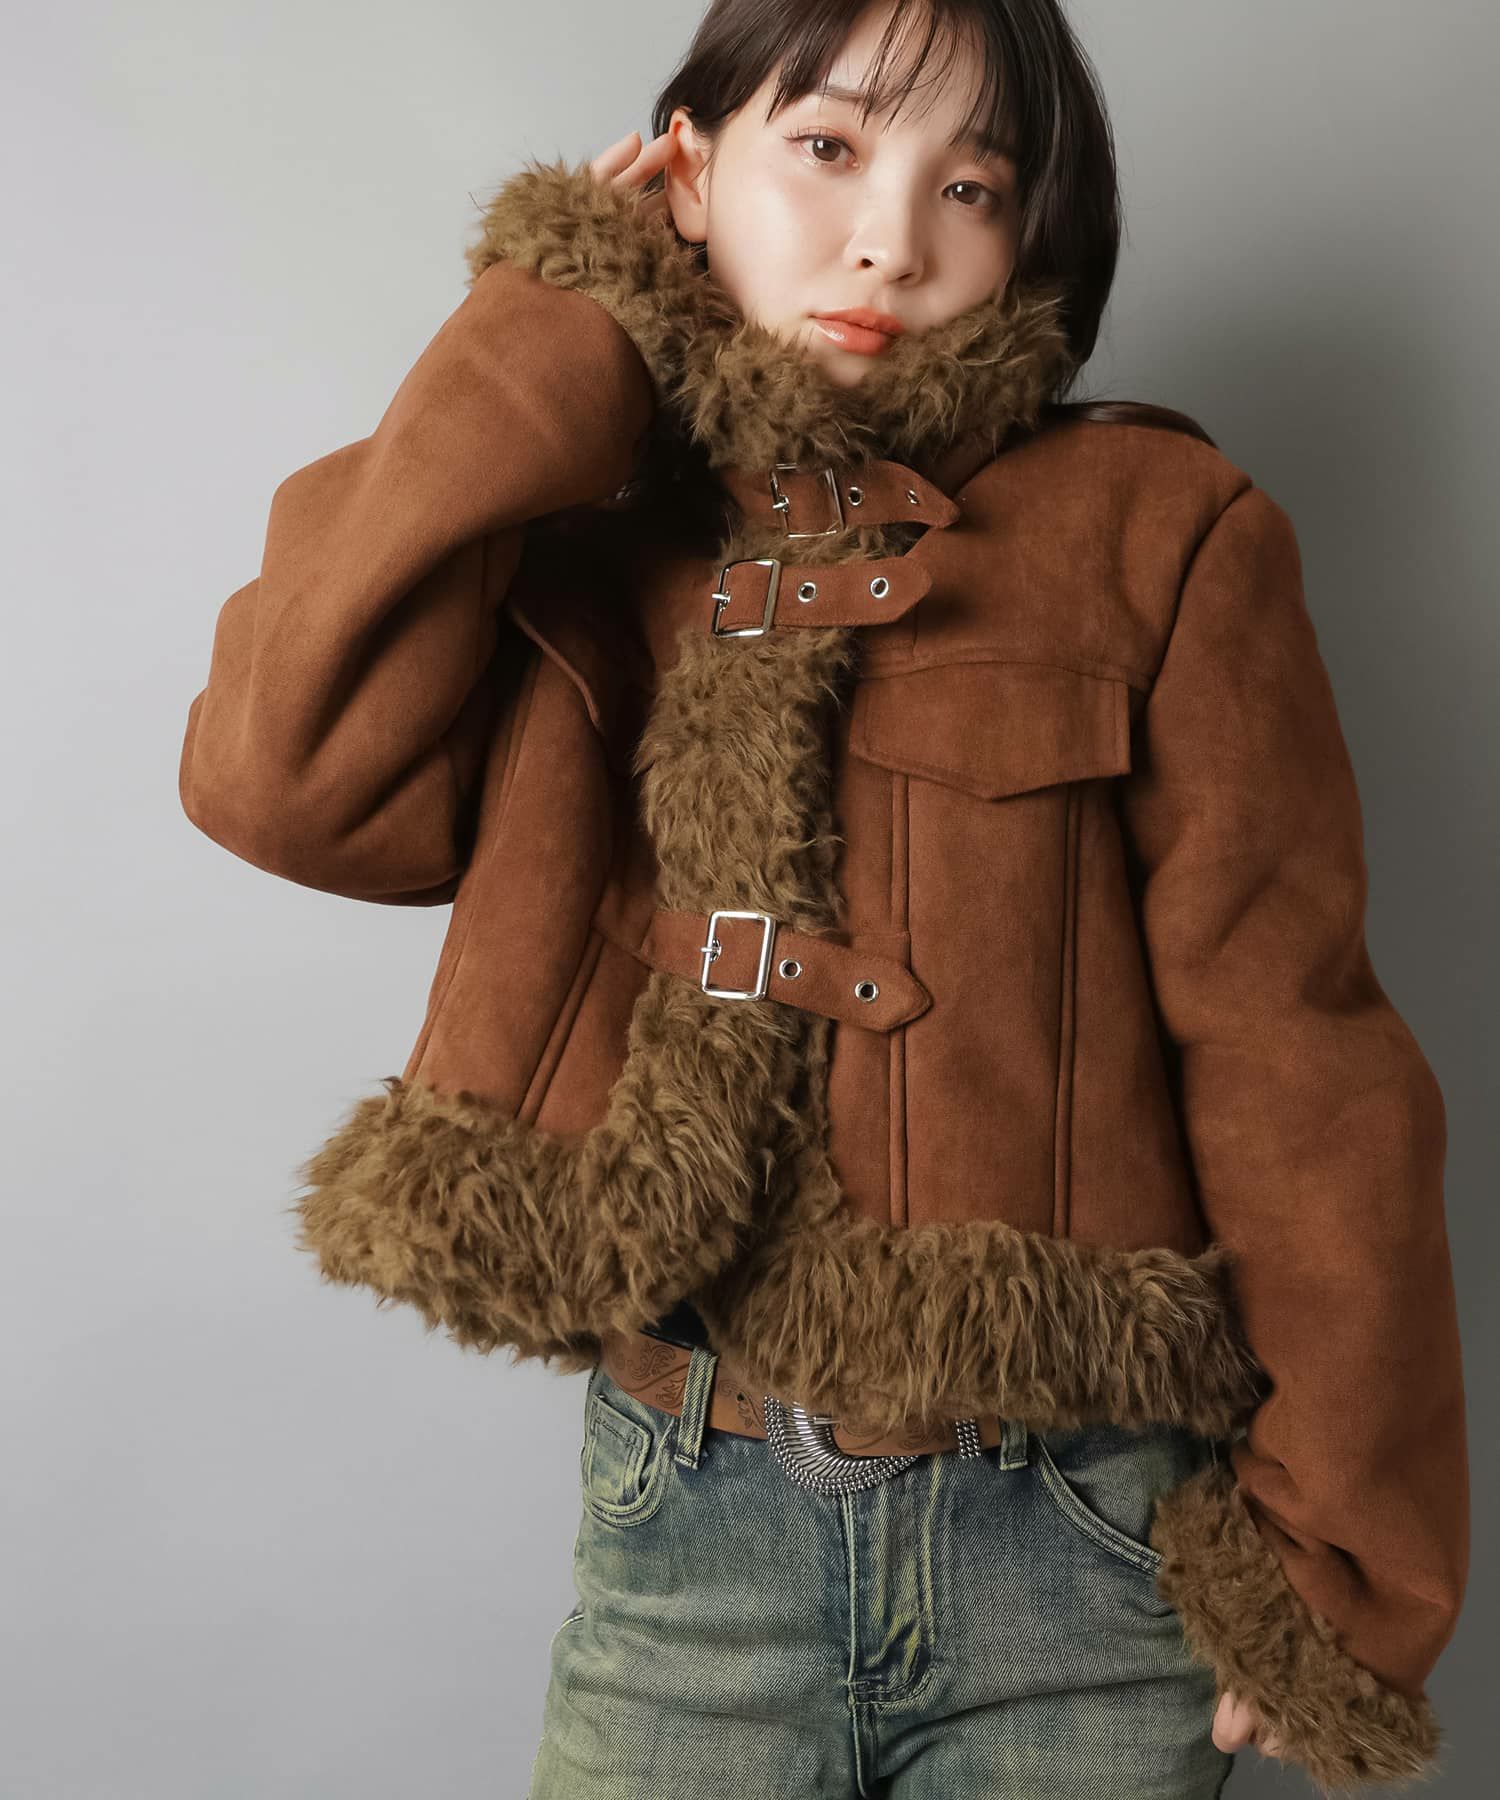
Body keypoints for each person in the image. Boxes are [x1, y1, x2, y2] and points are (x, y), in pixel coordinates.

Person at [177, 2, 1468, 1795]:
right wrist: (544, 333)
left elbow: (1296, 1055)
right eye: (830, 148)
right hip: (687, 1529)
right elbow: (286, 785)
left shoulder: (1162, 531)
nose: (892, 240)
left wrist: (1342, 1548)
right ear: (688, 169)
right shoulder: (568, 526)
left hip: (1083, 1552)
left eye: (972, 186)